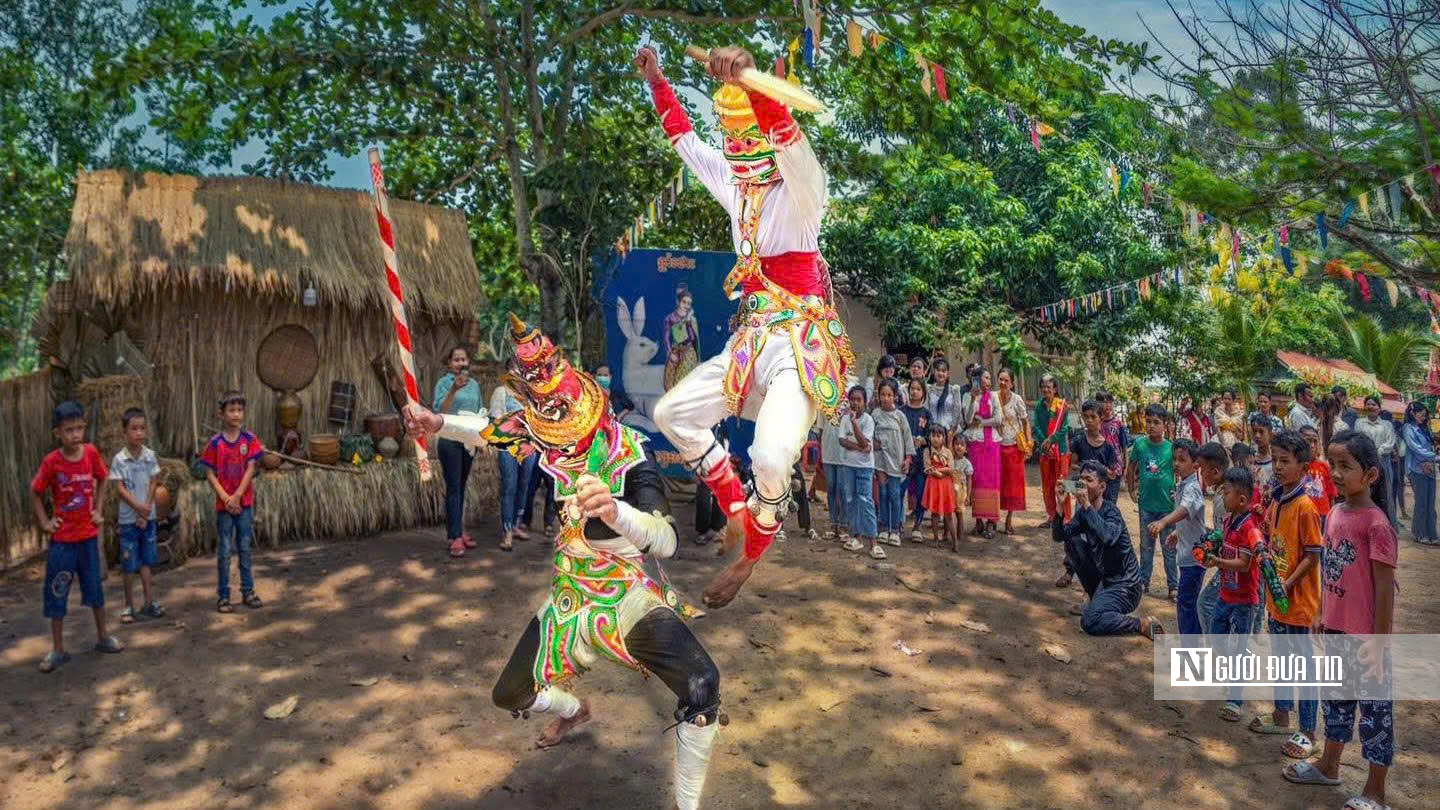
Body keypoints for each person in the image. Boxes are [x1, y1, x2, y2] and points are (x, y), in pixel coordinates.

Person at [407, 315, 722, 810]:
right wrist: (438, 422)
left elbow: (666, 542)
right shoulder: (550, 438)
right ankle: (575, 710)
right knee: (509, 694)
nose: (557, 441)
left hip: (626, 598)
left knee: (703, 687)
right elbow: (492, 432)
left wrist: (618, 514)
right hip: (568, 602)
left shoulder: (630, 454)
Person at [638, 45, 855, 608]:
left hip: (799, 346)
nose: (734, 153)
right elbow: (687, 144)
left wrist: (753, 84)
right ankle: (738, 510)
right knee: (670, 414)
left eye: (744, 140)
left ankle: (754, 551)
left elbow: (789, 141)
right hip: (751, 339)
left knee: (769, 456)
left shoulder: (805, 193)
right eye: (730, 142)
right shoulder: (736, 189)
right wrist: (659, 82)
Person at [1283, 431, 1396, 808]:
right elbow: (1329, 569)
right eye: (1333, 464)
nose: (1336, 472)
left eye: (1346, 466)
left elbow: (1383, 590)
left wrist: (1380, 644)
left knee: (1375, 716)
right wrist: (1319, 612)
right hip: (1335, 631)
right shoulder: (1333, 513)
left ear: (1371, 476)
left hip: (1366, 640)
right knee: (1336, 703)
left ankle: (1375, 791)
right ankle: (1329, 766)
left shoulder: (1376, 524)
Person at [31, 401, 124, 672]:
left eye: (79, 428)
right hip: (62, 542)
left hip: (87, 538)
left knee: (95, 588)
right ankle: (58, 649)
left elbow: (104, 478)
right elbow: (35, 491)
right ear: (57, 433)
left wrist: (98, 509)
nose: (75, 434)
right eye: (69, 429)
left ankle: (103, 636)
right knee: (57, 591)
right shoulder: (52, 462)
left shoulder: (91, 453)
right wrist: (45, 522)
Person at [1255, 430, 1324, 744]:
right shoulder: (1277, 499)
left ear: (1303, 466)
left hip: (1297, 602)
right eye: (1277, 460)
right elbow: (1270, 538)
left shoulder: (1305, 507)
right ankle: (1281, 714)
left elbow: (1313, 555)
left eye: (1286, 461)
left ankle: (1307, 730)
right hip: (1276, 598)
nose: (1279, 467)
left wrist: (1288, 582)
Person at [1051, 460, 1164, 639]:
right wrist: (1059, 507)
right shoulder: (1082, 514)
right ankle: (1093, 597)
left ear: (1102, 487)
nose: (1083, 485)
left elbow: (1108, 536)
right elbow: (1059, 536)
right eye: (1080, 480)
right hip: (1105, 579)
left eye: (1089, 480)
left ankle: (1140, 624)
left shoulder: (1112, 512)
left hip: (1126, 586)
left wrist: (1086, 504)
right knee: (1072, 541)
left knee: (1089, 621)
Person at [1205, 465, 1263, 721]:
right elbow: (1222, 540)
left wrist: (1218, 563)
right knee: (1216, 635)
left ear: (1241, 499)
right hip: (1226, 594)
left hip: (1244, 600)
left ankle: (1235, 700)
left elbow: (1245, 563)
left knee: (1238, 647)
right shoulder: (1229, 521)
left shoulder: (1249, 527)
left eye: (1225, 493)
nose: (1221, 498)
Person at [201, 390, 265, 614]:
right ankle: (223, 596)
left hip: (244, 503)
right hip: (224, 507)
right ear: (222, 414)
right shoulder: (215, 443)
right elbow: (209, 473)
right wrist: (226, 497)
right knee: (225, 550)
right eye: (232, 410)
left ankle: (248, 591)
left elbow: (251, 469)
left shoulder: (250, 440)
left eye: (240, 410)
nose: (236, 414)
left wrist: (237, 496)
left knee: (245, 548)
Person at [110, 408, 165, 623]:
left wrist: (146, 508)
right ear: (124, 431)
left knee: (146, 562)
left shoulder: (149, 455)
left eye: (142, 428)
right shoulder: (119, 459)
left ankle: (149, 602)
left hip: (147, 519)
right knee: (128, 564)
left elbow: (153, 482)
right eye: (134, 428)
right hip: (128, 520)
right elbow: (120, 489)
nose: (139, 433)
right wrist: (138, 507)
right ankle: (128, 606)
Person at [1149, 440, 1207, 636]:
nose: (1176, 464)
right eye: (1174, 459)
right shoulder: (1183, 484)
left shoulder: (1192, 488)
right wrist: (1177, 532)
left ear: (1196, 463)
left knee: (1186, 605)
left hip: (1193, 558)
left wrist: (1164, 523)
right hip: (1188, 555)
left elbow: (1184, 510)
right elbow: (1190, 518)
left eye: (1182, 460)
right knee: (1188, 604)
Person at [434, 345, 484, 557]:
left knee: (461, 487)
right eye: (456, 360)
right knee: (454, 487)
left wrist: (480, 440)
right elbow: (439, 412)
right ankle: (453, 537)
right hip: (449, 440)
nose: (461, 363)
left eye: (464, 360)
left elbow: (479, 412)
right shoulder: (444, 383)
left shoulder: (474, 385)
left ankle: (459, 531)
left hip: (468, 442)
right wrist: (454, 389)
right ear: (449, 363)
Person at [1128, 404, 1176, 600]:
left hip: (1167, 508)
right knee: (1146, 546)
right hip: (1146, 505)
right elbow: (1131, 468)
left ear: (1165, 424)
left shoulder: (1171, 448)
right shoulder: (1139, 445)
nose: (1151, 426)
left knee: (1169, 548)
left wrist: (1179, 492)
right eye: (1148, 421)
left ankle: (1173, 586)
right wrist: (1131, 489)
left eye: (1156, 422)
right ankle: (1143, 581)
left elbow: (1182, 470)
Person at [836, 386, 881, 559]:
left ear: (865, 401)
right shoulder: (844, 419)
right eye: (852, 399)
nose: (855, 403)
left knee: (866, 501)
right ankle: (857, 537)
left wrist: (855, 424)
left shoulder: (868, 420)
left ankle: (874, 542)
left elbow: (865, 442)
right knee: (851, 500)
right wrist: (860, 447)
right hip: (848, 465)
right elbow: (842, 441)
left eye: (858, 400)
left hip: (864, 467)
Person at [871, 379, 913, 546]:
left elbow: (908, 439)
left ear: (895, 396)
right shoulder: (875, 414)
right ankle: (883, 528)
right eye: (883, 395)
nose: (886, 398)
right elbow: (869, 434)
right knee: (882, 493)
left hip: (896, 462)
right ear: (878, 396)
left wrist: (908, 459)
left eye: (889, 395)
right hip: (881, 461)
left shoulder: (900, 416)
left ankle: (895, 530)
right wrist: (873, 443)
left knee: (895, 495)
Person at [965, 369, 1003, 538]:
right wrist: (973, 398)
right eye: (985, 377)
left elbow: (998, 419)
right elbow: (967, 419)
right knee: (977, 481)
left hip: (991, 443)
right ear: (977, 379)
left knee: (991, 482)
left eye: (989, 377)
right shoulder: (968, 396)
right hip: (975, 444)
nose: (988, 380)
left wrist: (982, 421)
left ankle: (992, 522)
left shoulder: (994, 396)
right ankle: (979, 520)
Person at [993, 368, 1029, 534]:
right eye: (1001, 379)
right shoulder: (993, 397)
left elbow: (1025, 422)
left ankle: (1008, 519)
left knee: (1013, 486)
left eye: (1006, 380)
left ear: (1012, 383)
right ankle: (992, 519)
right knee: (996, 483)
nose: (1003, 383)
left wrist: (1028, 443)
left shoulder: (1017, 400)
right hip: (996, 446)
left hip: (1015, 448)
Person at [1034, 374, 1072, 528]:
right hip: (1045, 451)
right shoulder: (1039, 406)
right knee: (1047, 485)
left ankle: (1067, 517)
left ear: (1055, 389)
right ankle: (1051, 516)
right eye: (1043, 386)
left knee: (1063, 484)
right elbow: (1036, 426)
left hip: (1061, 450)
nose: (1045, 389)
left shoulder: (1062, 406)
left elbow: (1065, 428)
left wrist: (1052, 440)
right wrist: (1045, 441)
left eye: (1049, 387)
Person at [1354, 395, 1397, 527]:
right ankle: (1365, 523)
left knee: (1386, 493)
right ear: (1365, 407)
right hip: (1365, 462)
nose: (1371, 407)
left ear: (1379, 408)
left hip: (1383, 461)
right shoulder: (1359, 423)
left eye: (1374, 404)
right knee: (1366, 491)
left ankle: (1387, 524)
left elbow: (1390, 442)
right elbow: (1357, 440)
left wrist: (1377, 451)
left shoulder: (1387, 424)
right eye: (1368, 404)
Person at [1401, 400, 1437, 544]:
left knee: (1430, 503)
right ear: (1413, 414)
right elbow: (1414, 447)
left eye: (1425, 416)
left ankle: (1432, 534)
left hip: (1430, 469)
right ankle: (1420, 533)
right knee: (1421, 502)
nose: (1423, 418)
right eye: (1421, 415)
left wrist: (1431, 459)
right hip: (1416, 470)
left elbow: (1430, 446)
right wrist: (1432, 457)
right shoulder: (1408, 428)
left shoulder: (1425, 428)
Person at [901, 378, 933, 540]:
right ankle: (897, 524)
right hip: (903, 459)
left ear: (923, 393)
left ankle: (917, 526)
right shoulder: (901, 411)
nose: (914, 391)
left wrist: (923, 440)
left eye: (918, 389)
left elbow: (932, 437)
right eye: (912, 388)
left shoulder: (927, 414)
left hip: (920, 461)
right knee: (899, 492)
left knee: (921, 493)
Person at [1068, 400, 1120, 501]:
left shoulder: (1108, 447)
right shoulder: (1078, 441)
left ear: (1101, 418)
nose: (1089, 420)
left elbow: (1112, 474)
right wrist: (1086, 469)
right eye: (1086, 416)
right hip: (1083, 491)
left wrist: (1098, 469)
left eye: (1093, 417)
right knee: (1081, 514)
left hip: (1101, 495)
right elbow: (1073, 466)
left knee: (1099, 516)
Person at [921, 424, 958, 547]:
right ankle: (936, 539)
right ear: (929, 437)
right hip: (934, 485)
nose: (935, 438)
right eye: (933, 435)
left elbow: (951, 469)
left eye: (938, 436)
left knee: (948, 515)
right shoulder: (927, 451)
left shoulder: (948, 452)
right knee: (935, 514)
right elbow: (927, 468)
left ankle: (955, 542)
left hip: (946, 486)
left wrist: (939, 472)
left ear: (943, 438)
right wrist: (943, 471)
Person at [663, 284, 701, 391]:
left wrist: (688, 322)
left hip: (689, 351)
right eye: (684, 302)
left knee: (680, 383)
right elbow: (666, 338)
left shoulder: (692, 319)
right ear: (678, 302)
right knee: (669, 383)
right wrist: (670, 353)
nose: (686, 305)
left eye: (689, 303)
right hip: (675, 351)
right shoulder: (670, 318)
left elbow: (694, 339)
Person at [1096, 391, 1130, 504]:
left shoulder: (1118, 423)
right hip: (1098, 466)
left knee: (1111, 501)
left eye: (1110, 402)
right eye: (1104, 402)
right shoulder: (1095, 422)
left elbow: (1124, 446)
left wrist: (1126, 467)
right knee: (1098, 499)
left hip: (1115, 467)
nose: (1108, 405)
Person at [1299, 425, 1338, 519]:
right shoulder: (1296, 466)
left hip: (1322, 515)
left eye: (1315, 441)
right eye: (1308, 441)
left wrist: (1331, 517)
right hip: (1302, 514)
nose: (1312, 445)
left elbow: (1331, 495)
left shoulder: (1325, 466)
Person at [927, 357, 964, 434]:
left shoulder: (954, 389)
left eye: (943, 371)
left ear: (948, 373)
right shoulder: (928, 389)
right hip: (933, 430)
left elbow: (957, 411)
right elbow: (926, 410)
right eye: (938, 370)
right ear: (934, 372)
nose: (940, 373)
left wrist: (952, 430)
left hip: (950, 430)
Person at [950, 432, 973, 553]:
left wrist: (968, 496)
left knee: (959, 515)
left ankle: (959, 537)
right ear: (953, 445)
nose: (959, 446)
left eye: (962, 445)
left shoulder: (967, 463)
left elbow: (969, 480)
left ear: (966, 449)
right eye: (957, 444)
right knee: (948, 514)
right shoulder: (950, 461)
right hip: (949, 491)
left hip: (961, 491)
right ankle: (946, 535)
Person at [1250, 413, 1277, 495]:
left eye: (1261, 432)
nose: (1257, 435)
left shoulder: (1276, 457)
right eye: (1254, 431)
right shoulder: (1250, 458)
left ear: (1270, 434)